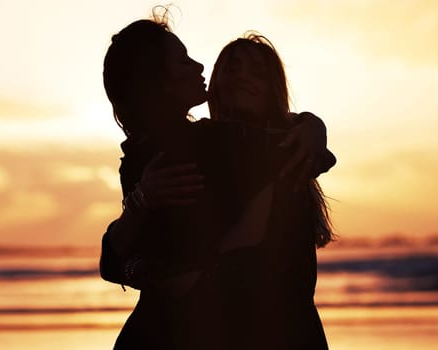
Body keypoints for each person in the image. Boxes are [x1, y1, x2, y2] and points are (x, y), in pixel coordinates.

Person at [99, 17, 334, 349]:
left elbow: (120, 261)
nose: (199, 66)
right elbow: (120, 262)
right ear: (159, 82)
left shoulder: (156, 152)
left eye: (258, 74)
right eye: (233, 69)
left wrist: (311, 126)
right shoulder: (188, 150)